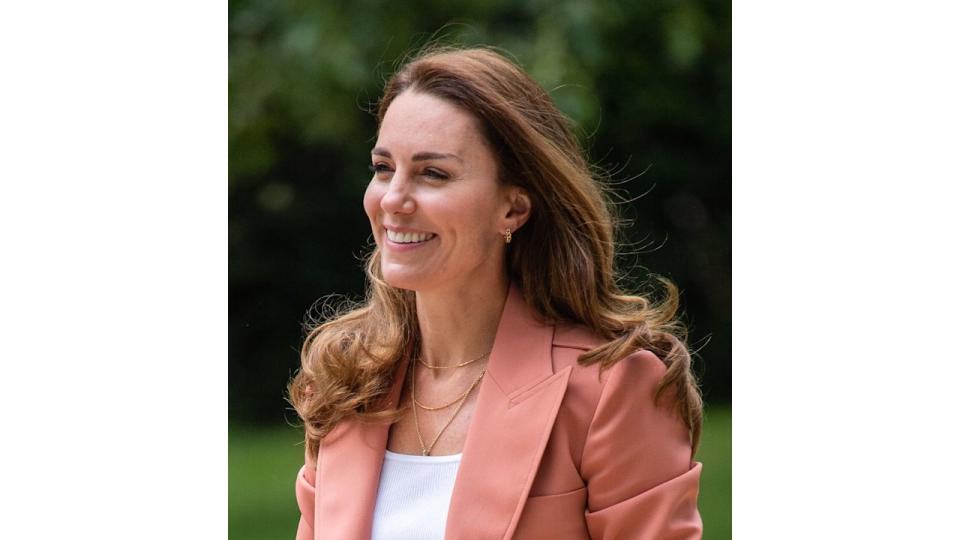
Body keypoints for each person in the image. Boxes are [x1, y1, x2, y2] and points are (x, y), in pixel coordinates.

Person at [288, 46, 703, 539]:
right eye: (383, 168)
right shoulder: (346, 384)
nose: (393, 199)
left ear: (513, 209)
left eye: (432, 173)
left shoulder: (611, 388)